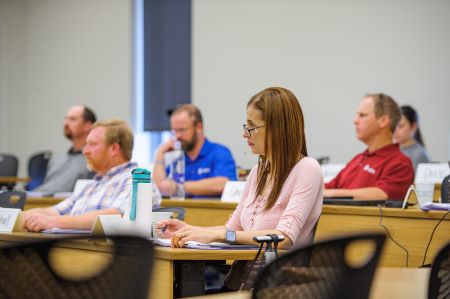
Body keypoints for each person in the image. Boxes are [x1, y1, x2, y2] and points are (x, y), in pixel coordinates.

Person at [157, 87, 323, 290]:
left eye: (251, 127)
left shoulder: (307, 169)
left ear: (276, 128)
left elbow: (283, 238)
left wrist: (217, 236)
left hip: (275, 287)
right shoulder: (257, 172)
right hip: (239, 282)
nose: (245, 134)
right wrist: (191, 229)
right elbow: (233, 230)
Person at [23, 119, 162, 232]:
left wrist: (53, 222)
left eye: (92, 145)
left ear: (114, 149)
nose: (85, 151)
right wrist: (21, 217)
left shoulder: (136, 180)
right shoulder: (92, 184)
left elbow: (117, 216)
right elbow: (56, 211)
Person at [324, 93, 414, 200]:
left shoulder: (400, 163)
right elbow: (328, 187)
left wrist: (332, 194)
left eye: (362, 115)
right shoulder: (358, 158)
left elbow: (382, 194)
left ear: (383, 121)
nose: (355, 121)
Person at [153, 104, 237, 198]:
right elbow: (159, 188)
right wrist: (159, 154)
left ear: (199, 127)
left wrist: (179, 187)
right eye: (174, 131)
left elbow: (224, 184)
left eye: (182, 130)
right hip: (182, 212)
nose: (177, 136)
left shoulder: (219, 153)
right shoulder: (178, 160)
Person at [32, 105, 96, 194]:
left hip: (60, 204)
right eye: (66, 119)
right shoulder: (56, 159)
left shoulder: (94, 160)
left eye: (73, 119)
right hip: (36, 199)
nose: (66, 123)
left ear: (87, 125)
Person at [394, 105, 430, 169]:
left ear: (413, 126)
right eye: (394, 125)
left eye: (400, 126)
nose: (395, 130)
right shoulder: (392, 149)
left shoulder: (419, 154)